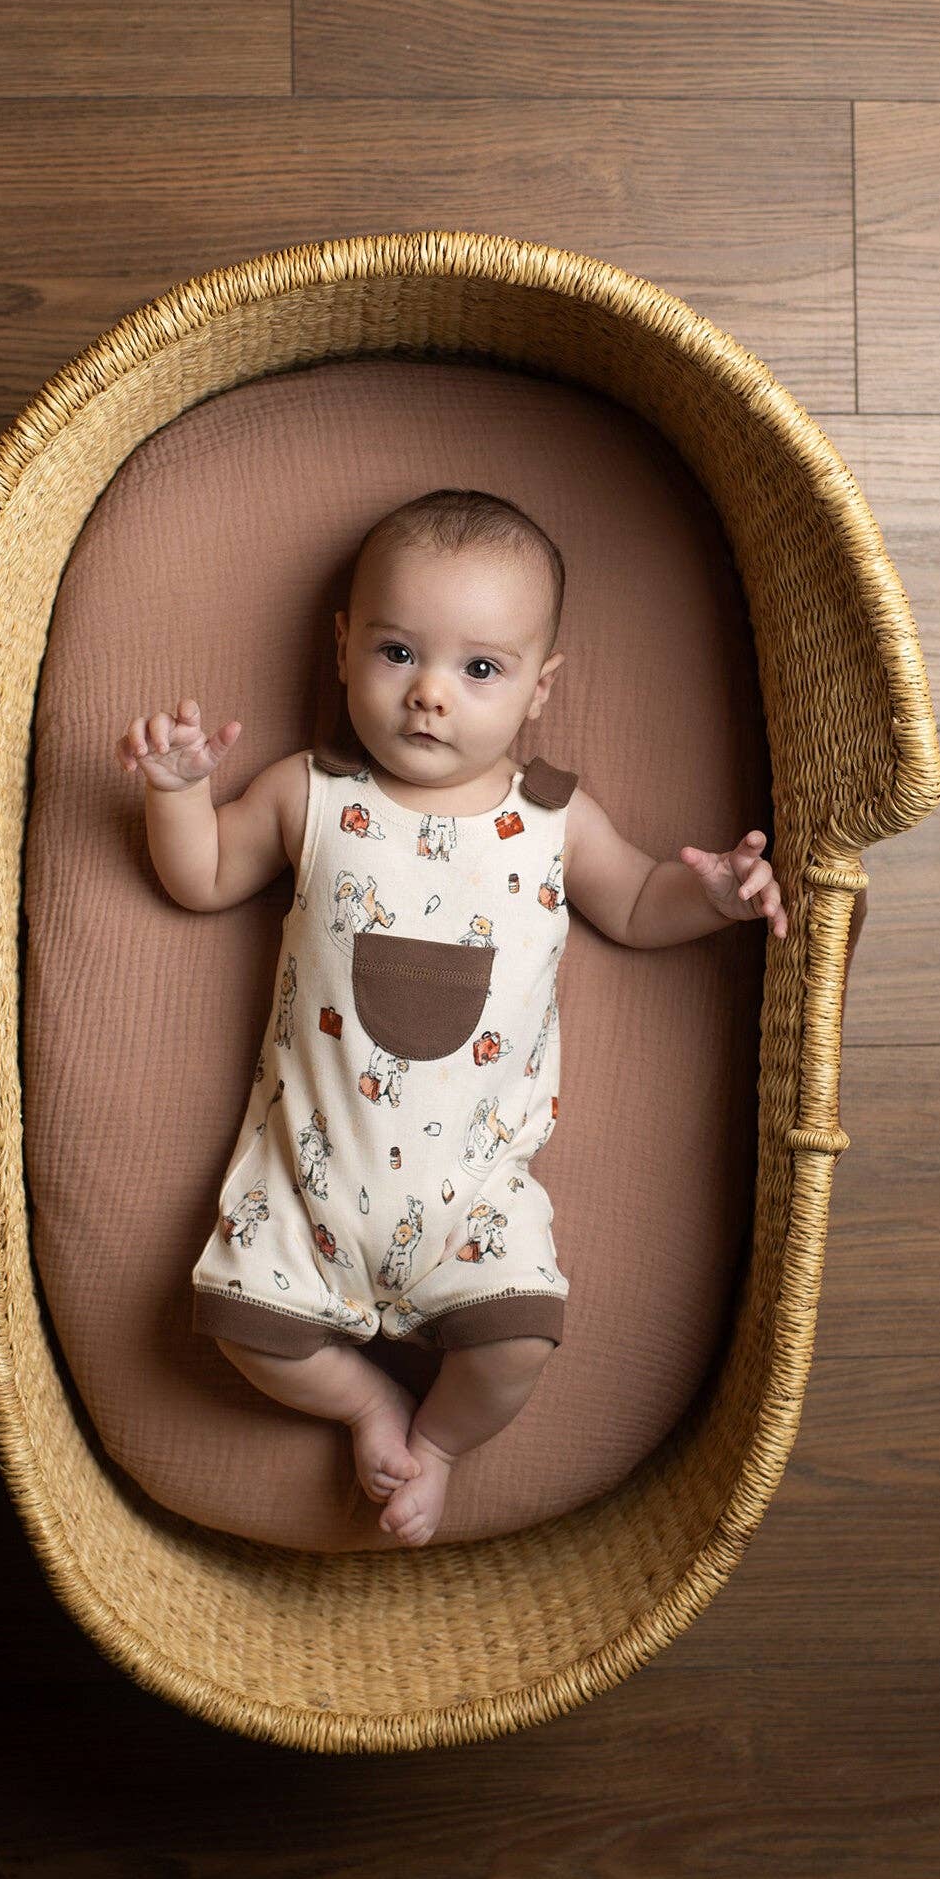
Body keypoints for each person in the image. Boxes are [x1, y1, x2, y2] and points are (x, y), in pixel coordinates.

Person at [116, 489, 789, 1547]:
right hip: (304, 1185)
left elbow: (633, 900)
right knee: (241, 1324)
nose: (430, 694)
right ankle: (362, 1402)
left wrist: (707, 897)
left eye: (480, 669)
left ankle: (434, 1443)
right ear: (342, 647)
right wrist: (174, 790)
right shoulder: (311, 792)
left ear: (537, 689)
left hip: (474, 1197)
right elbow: (197, 876)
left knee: (519, 1339)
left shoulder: (556, 819)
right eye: (396, 652)